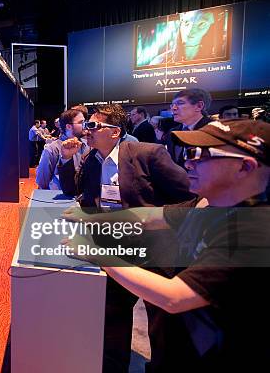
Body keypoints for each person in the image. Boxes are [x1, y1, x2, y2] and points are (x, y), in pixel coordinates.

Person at [64, 119, 270, 370]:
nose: (188, 162)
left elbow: (175, 297)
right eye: (190, 153)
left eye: (201, 154)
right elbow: (147, 217)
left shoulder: (254, 231)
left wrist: (95, 253)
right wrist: (93, 218)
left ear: (245, 167)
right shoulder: (205, 205)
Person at [57, 104, 194, 372]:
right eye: (87, 126)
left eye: (94, 126)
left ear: (115, 132)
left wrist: (149, 218)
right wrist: (65, 159)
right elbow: (73, 190)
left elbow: (191, 198)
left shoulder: (149, 154)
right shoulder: (91, 160)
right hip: (114, 250)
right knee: (112, 324)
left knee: (162, 328)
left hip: (156, 253)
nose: (87, 131)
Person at [36, 109, 86, 190]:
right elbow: (42, 181)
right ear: (69, 126)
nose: (85, 125)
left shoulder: (86, 145)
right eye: (81, 122)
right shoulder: (52, 149)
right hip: (59, 199)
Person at [167, 88, 213, 167]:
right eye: (172, 105)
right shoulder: (172, 132)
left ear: (199, 106)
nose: (173, 108)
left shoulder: (213, 131)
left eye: (180, 103)